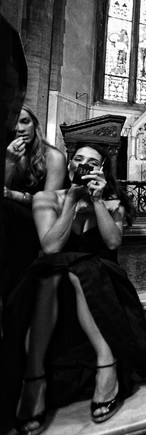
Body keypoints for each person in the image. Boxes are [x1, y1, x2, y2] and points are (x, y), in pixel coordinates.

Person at [0, 144, 146, 435]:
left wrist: (97, 201)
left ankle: (106, 366)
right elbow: (50, 247)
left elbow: (111, 244)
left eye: (91, 162)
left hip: (103, 276)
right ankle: (35, 379)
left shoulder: (112, 203)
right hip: (57, 280)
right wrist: (70, 202)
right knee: (54, 271)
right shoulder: (47, 198)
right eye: (78, 159)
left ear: (101, 170)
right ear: (69, 166)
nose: (82, 165)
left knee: (74, 270)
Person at [2, 105, 67, 303]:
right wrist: (10, 163)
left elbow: (48, 204)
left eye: (25, 121)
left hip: (41, 222)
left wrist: (15, 195)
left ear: (35, 125)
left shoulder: (53, 157)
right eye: (14, 122)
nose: (20, 128)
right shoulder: (7, 153)